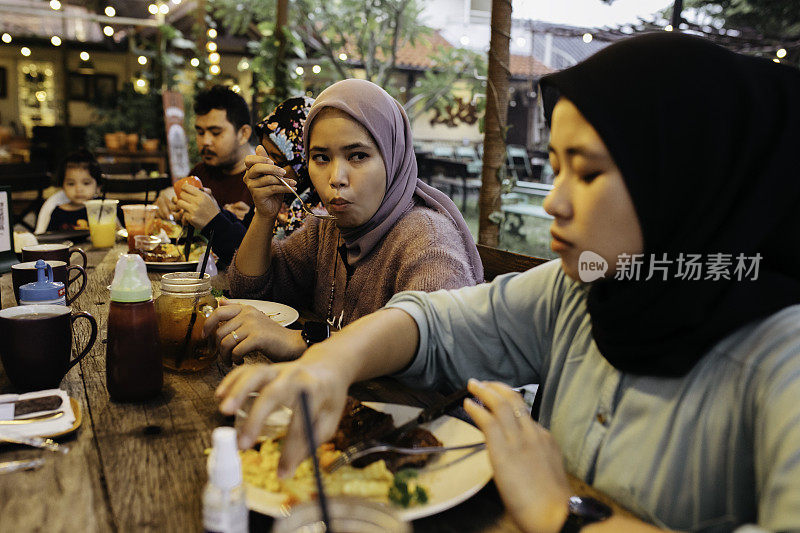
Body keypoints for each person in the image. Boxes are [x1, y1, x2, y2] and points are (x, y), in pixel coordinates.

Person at [214, 33, 800, 533]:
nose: (554, 200)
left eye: (589, 171)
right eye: (557, 167)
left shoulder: (783, 357)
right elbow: (439, 323)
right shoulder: (585, 288)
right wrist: (331, 362)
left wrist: (560, 513)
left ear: (687, 178)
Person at [203, 79, 483, 365]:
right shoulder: (326, 230)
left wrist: (302, 341)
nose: (336, 177)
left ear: (392, 156)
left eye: (358, 156)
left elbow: (434, 345)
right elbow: (251, 290)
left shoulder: (427, 240)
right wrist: (264, 215)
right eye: (321, 157)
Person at [155, 85, 255, 267]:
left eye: (215, 132)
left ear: (243, 134)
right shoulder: (201, 171)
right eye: (200, 132)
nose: (205, 141)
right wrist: (169, 203)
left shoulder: (261, 180)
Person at [253, 95, 318, 236]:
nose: (267, 166)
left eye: (277, 159)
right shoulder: (273, 196)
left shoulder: (319, 217)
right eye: (264, 154)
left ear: (303, 164)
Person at [45, 149, 102, 231]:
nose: (78, 189)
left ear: (98, 187)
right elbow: (50, 239)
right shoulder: (58, 213)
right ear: (62, 187)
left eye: (86, 183)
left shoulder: (104, 208)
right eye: (71, 184)